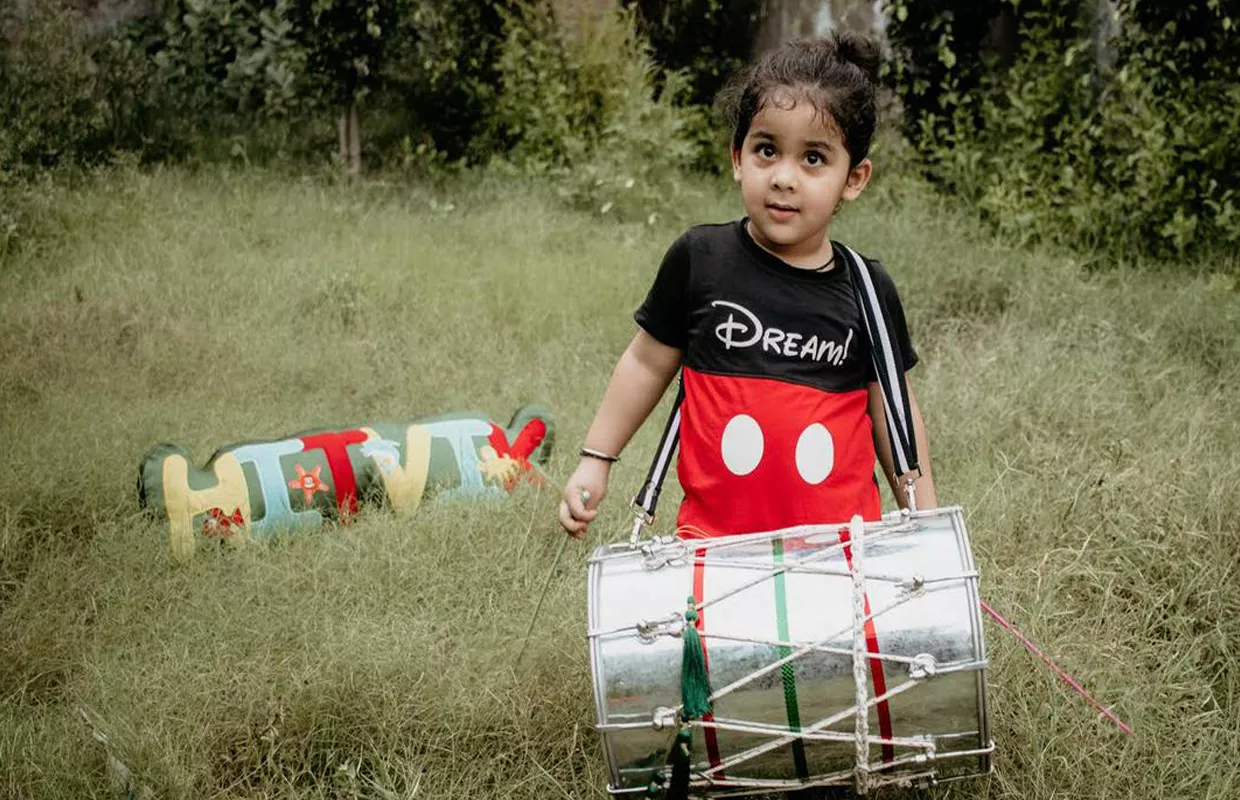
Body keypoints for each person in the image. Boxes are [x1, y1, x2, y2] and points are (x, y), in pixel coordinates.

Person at [557, 32, 936, 540]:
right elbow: (645, 362)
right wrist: (595, 459)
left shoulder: (867, 289)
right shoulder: (701, 260)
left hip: (840, 557)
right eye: (766, 150)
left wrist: (928, 528)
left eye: (814, 159)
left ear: (855, 178)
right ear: (737, 157)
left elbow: (894, 411)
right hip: (715, 550)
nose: (784, 177)